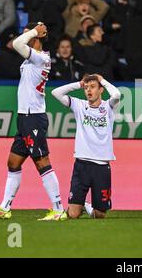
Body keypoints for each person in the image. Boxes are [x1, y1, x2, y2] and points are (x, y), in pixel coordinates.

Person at [0, 22, 67, 221]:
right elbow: (17, 44)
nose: (24, 37)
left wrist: (34, 31)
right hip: (24, 117)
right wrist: (33, 32)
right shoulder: (33, 58)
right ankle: (4, 208)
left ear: (36, 37)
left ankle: (58, 209)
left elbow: (16, 44)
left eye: (28, 34)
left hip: (33, 117)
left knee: (41, 161)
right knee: (13, 162)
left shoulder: (40, 57)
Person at [51, 74, 120, 219]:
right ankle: (78, 206)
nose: (89, 90)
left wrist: (102, 80)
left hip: (101, 166)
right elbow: (55, 93)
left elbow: (117, 94)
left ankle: (86, 206)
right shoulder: (79, 105)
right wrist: (78, 84)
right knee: (73, 215)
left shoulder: (108, 107)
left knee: (100, 215)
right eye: (87, 87)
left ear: (101, 90)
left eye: (93, 87)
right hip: (81, 165)